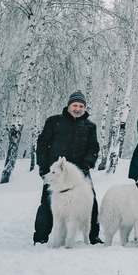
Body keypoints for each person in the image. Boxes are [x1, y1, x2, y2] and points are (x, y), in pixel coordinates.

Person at [34, 90, 101, 245]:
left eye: (81, 106)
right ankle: (41, 237)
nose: (77, 108)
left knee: (91, 201)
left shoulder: (90, 126)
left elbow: (93, 147)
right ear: (69, 105)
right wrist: (43, 167)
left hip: (80, 173)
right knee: (47, 203)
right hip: (56, 172)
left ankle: (92, 236)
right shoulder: (54, 121)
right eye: (75, 105)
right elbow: (42, 143)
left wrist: (88, 163)